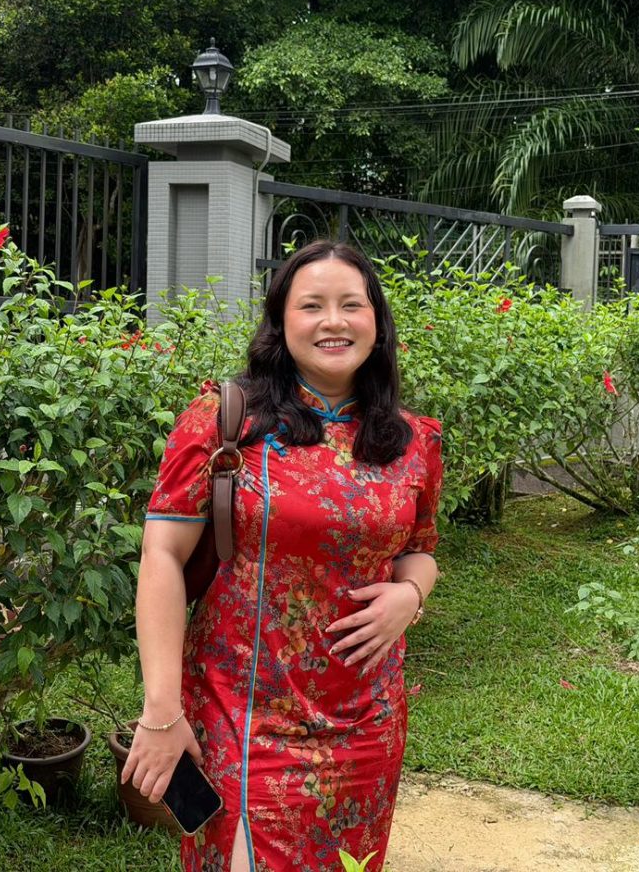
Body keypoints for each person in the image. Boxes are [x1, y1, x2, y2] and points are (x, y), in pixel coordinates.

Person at [122, 240, 443, 872]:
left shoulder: (414, 441)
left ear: (377, 323)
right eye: (312, 305)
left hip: (368, 721)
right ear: (281, 321)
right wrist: (161, 712)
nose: (333, 321)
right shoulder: (224, 422)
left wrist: (410, 595)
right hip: (245, 714)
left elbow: (419, 552)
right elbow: (162, 554)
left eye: (351, 305)